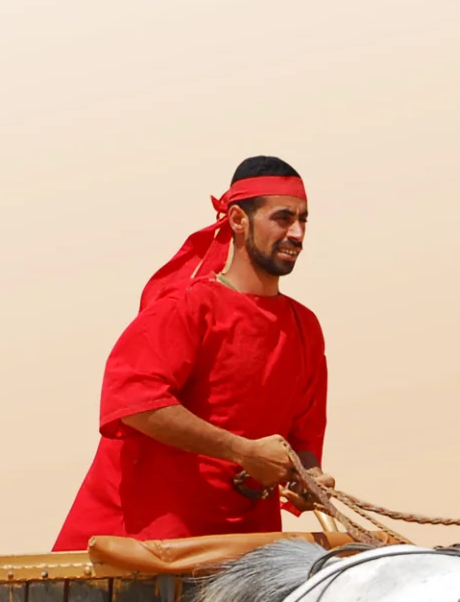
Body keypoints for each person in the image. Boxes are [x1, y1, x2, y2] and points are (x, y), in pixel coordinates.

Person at [53, 157, 331, 549]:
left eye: (304, 220)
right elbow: (135, 404)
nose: (297, 233)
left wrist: (309, 477)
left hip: (245, 552)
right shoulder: (184, 308)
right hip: (141, 549)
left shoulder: (305, 327)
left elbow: (301, 436)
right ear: (238, 220)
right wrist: (243, 451)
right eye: (283, 218)